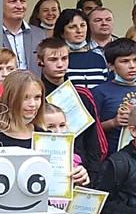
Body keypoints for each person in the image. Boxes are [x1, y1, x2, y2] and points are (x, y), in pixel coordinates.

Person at [35, 38, 108, 186]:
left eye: (64, 58)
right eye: (53, 60)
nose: (60, 64)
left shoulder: (81, 95)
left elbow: (94, 140)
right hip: (44, 169)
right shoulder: (35, 97)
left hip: (81, 171)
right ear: (40, 61)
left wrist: (91, 176)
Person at [93, 39, 136, 154]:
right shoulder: (99, 92)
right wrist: (113, 123)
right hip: (113, 155)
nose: (132, 66)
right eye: (125, 61)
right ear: (111, 65)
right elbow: (90, 131)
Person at [52, 9, 108, 90]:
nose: (79, 30)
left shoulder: (98, 58)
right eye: (72, 27)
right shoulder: (57, 60)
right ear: (61, 33)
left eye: (82, 25)